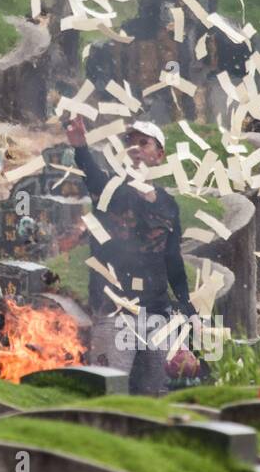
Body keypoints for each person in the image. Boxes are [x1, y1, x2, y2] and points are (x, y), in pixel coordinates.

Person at [65, 116, 196, 396]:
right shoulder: (111, 190)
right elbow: (92, 175)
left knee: (163, 392)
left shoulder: (168, 205)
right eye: (129, 143)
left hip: (158, 315)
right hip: (115, 312)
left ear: (159, 155)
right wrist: (81, 147)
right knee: (109, 392)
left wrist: (187, 305)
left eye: (143, 143)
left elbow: (173, 259)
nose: (134, 149)